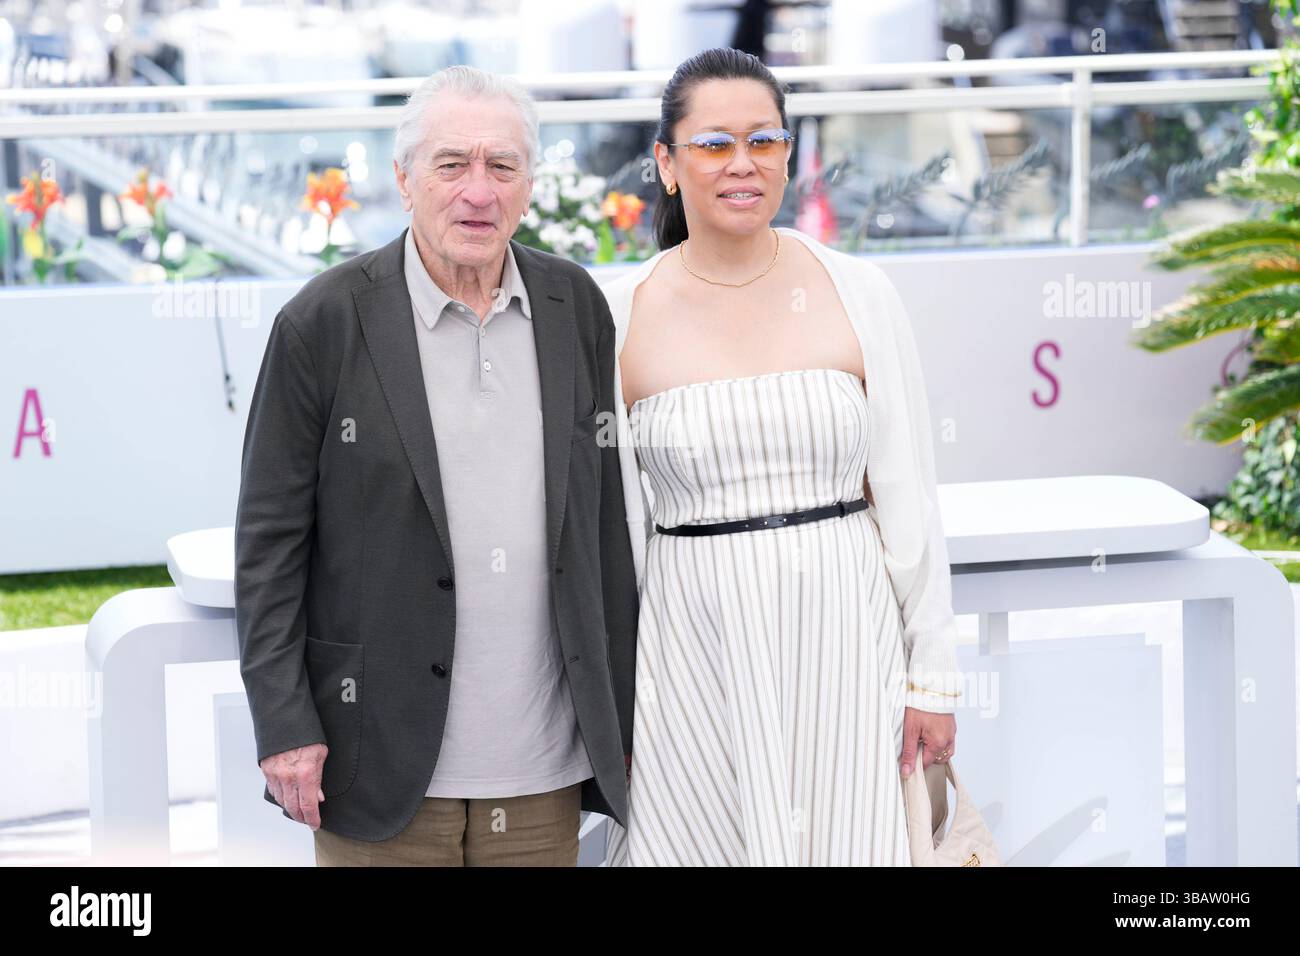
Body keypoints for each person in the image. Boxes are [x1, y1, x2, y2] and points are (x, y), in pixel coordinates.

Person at [234, 65, 639, 866]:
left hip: (543, 768)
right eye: (452, 164)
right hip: (376, 762)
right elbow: (269, 545)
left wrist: (618, 715)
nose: (477, 192)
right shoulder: (321, 323)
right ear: (404, 179)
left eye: (502, 166)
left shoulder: (574, 306)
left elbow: (603, 525)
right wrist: (284, 725)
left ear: (530, 184)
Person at [599, 47, 964, 866]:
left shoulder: (859, 290)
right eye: (714, 143)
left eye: (764, 141)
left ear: (789, 155)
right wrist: (616, 702)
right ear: (666, 163)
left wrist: (933, 679)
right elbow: (612, 535)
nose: (744, 164)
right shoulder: (618, 314)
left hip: (850, 642)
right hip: (689, 653)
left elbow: (909, 497)